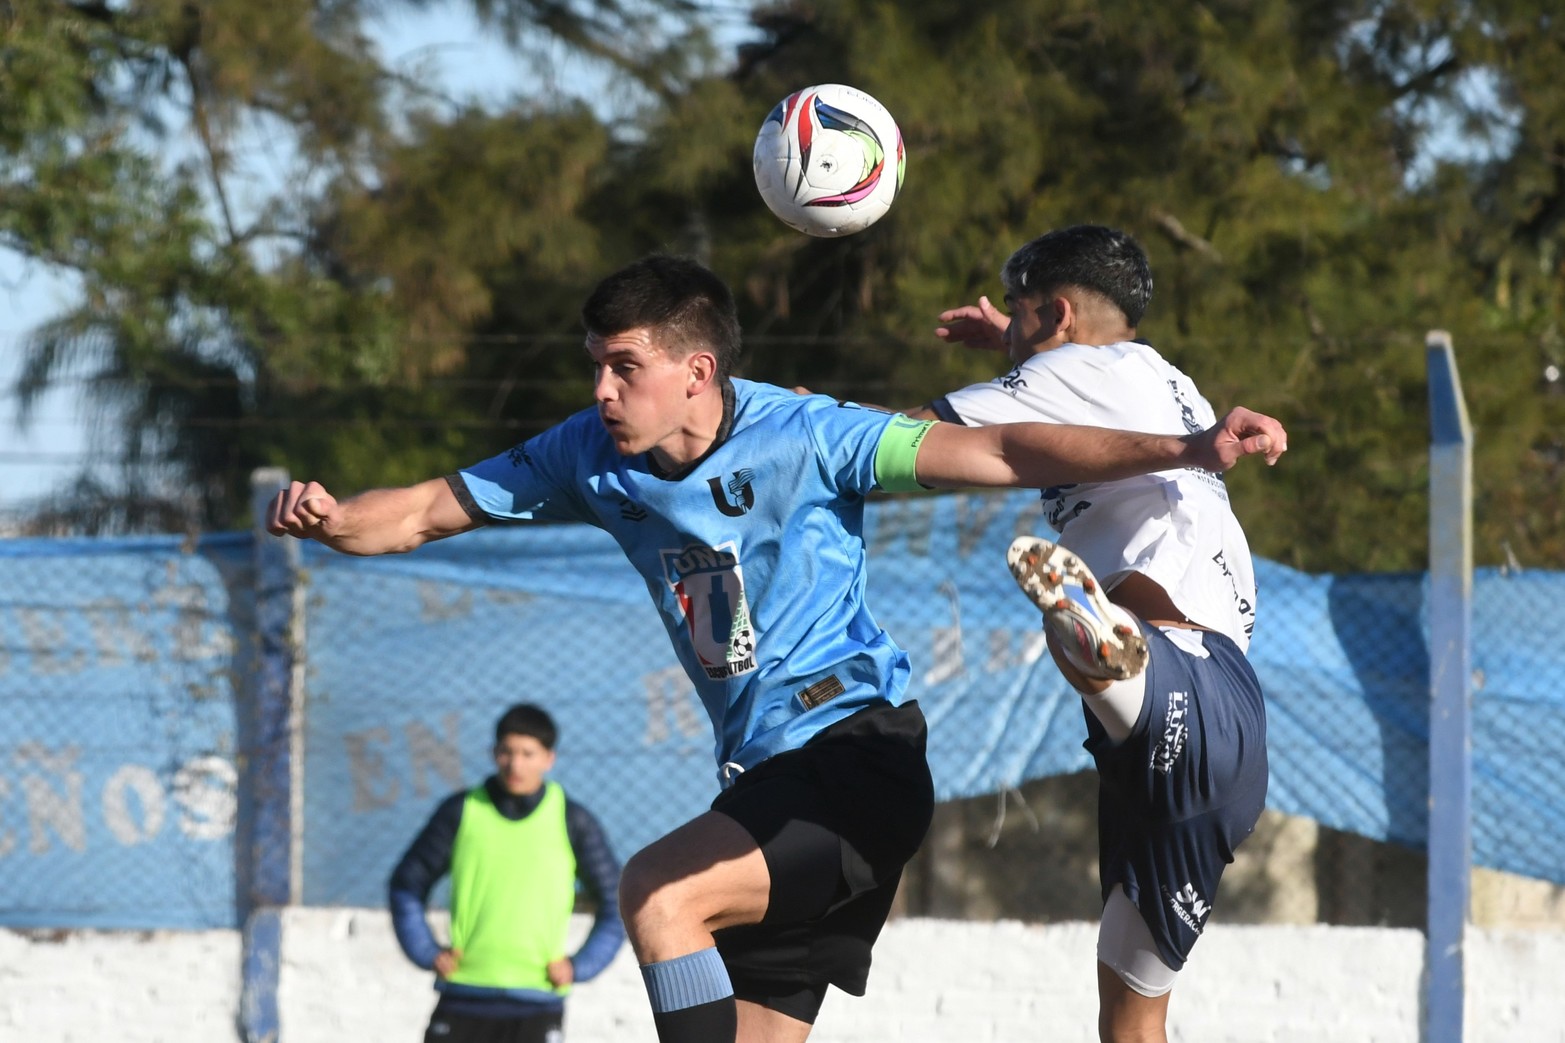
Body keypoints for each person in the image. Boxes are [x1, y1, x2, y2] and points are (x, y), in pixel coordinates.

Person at [267, 253, 1286, 1043]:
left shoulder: (809, 435)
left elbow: (1004, 447)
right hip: (765, 780)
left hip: (853, 756)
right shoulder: (587, 457)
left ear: (695, 372)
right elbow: (426, 509)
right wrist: (331, 516)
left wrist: (1188, 448)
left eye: (625, 367)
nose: (603, 391)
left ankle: (1131, 664)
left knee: (656, 895)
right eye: (595, 368)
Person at [898, 224, 1272, 1042]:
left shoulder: (1062, 369)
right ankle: (1104, 649)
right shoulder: (1166, 379)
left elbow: (891, 438)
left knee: (1119, 650)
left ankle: (1103, 643)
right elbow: (1079, 372)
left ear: (1059, 316)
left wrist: (770, 426)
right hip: (1230, 731)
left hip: (1178, 677)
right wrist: (1012, 336)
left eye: (1025, 313)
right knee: (1131, 1024)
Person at [388, 702, 624, 1043]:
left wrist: (581, 966)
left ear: (549, 758)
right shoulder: (460, 812)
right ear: (493, 752)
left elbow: (615, 901)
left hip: (539, 1003)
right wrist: (426, 951)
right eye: (506, 752)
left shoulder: (573, 821)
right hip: (463, 997)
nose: (516, 764)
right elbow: (406, 886)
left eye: (528, 753)